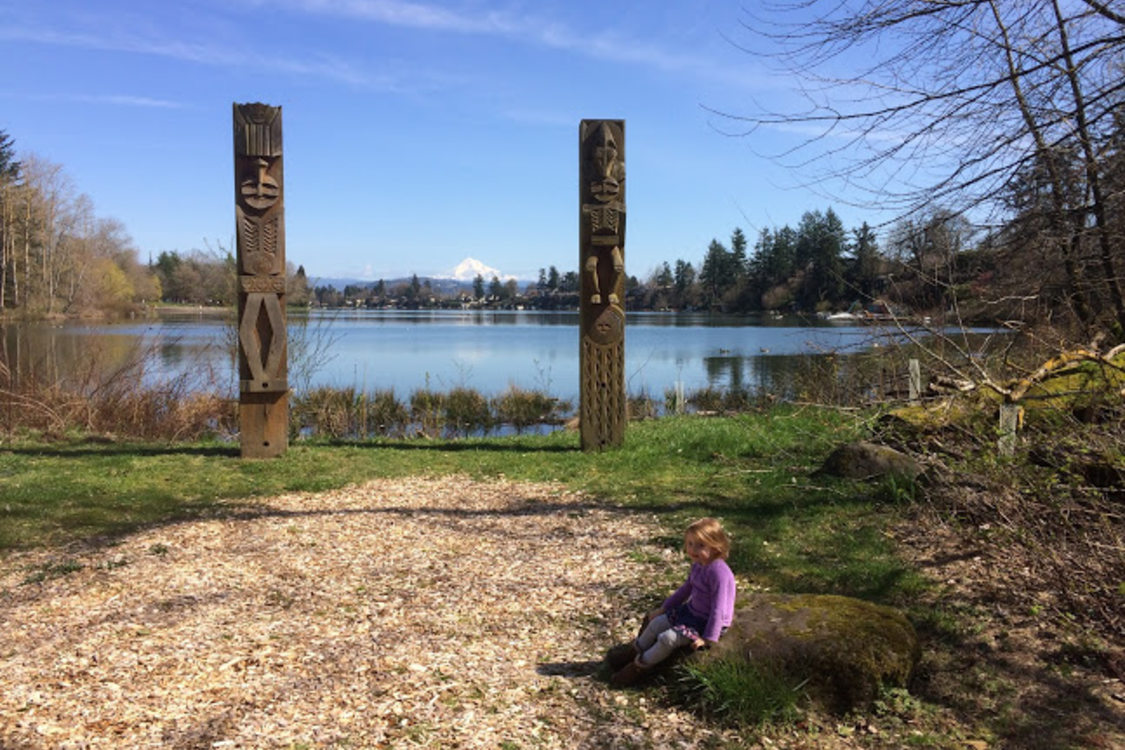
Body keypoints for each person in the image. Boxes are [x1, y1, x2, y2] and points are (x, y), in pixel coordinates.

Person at [607, 517, 736, 686]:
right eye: (690, 544)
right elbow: (685, 589)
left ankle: (638, 667)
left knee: (667, 639)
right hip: (692, 611)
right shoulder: (698, 565)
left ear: (716, 546)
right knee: (656, 624)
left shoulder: (719, 573)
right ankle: (633, 651)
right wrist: (664, 608)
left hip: (706, 621)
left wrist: (708, 637)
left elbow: (718, 608)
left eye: (700, 545)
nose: (693, 550)